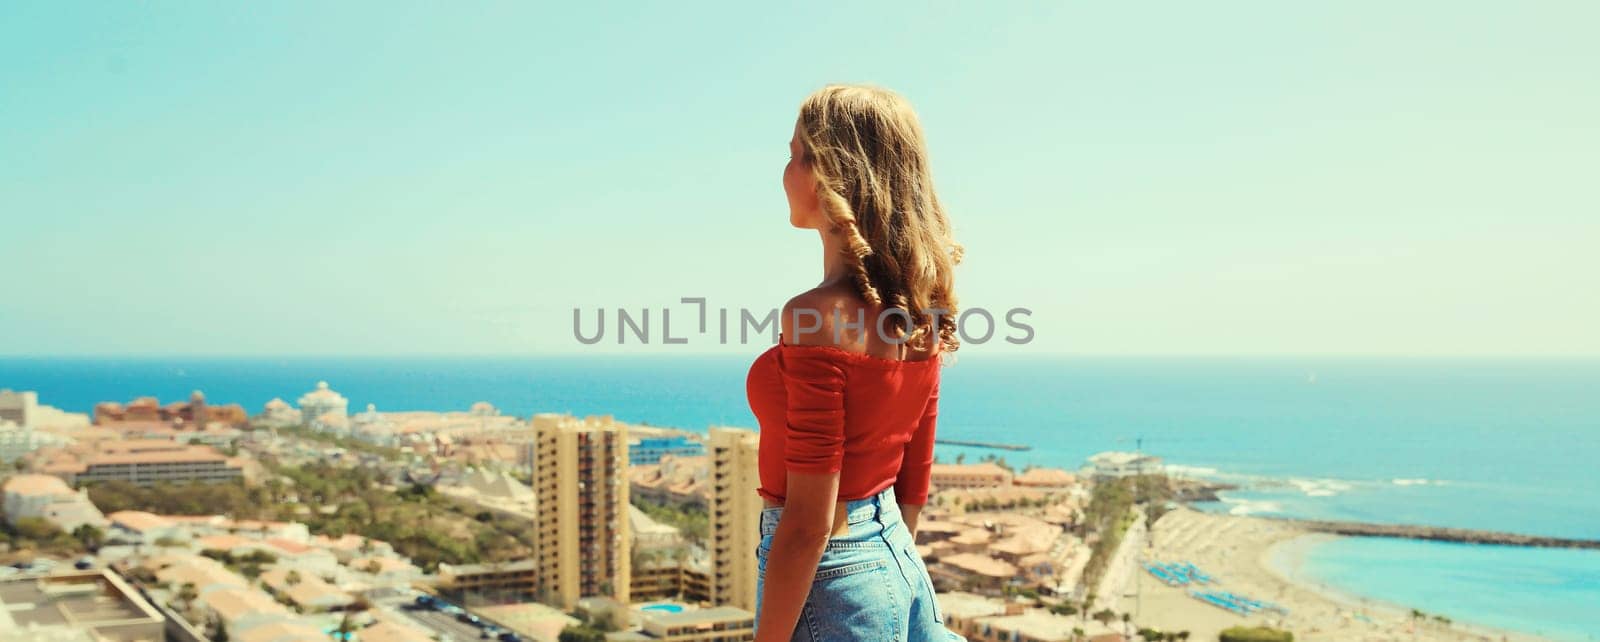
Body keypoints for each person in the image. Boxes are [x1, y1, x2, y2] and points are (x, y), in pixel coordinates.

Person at [748, 84, 966, 641]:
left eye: (797, 155)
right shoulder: (922, 309)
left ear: (832, 177)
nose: (785, 172)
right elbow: (915, 469)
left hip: (833, 583)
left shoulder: (815, 315)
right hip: (896, 560)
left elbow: (807, 524)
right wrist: (885, 563)